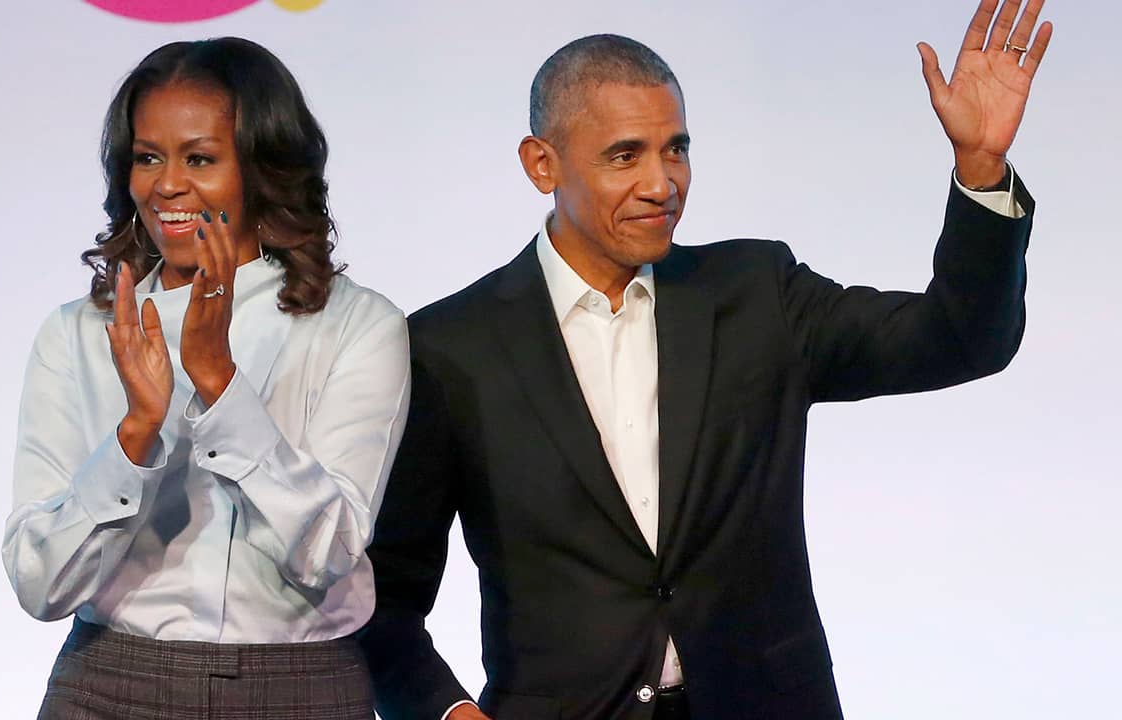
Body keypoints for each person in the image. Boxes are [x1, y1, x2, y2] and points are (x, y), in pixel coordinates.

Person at [358, 1, 1051, 718]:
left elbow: (959, 339)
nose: (662, 184)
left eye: (676, 150)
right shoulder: (448, 348)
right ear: (542, 164)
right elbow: (382, 598)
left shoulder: (759, 294)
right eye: (625, 155)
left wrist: (980, 168)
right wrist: (446, 711)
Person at [2, 37, 409, 719]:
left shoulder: (358, 325)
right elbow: (40, 584)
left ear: (261, 167)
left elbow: (329, 550)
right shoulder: (77, 333)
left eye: (199, 158)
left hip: (299, 686)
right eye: (147, 158)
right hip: (109, 683)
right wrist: (135, 435)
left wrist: (220, 385)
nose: (167, 185)